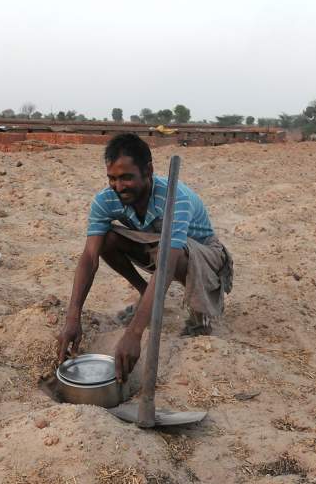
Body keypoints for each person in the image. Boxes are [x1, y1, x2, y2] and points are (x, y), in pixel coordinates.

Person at [56, 133, 233, 382]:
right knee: (106, 238)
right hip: (155, 243)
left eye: (126, 177)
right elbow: (89, 257)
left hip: (202, 255)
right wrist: (72, 317)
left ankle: (199, 316)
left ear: (148, 170)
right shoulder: (105, 200)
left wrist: (134, 333)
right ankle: (144, 293)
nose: (119, 186)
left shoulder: (175, 198)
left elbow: (167, 266)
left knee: (173, 253)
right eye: (112, 178)